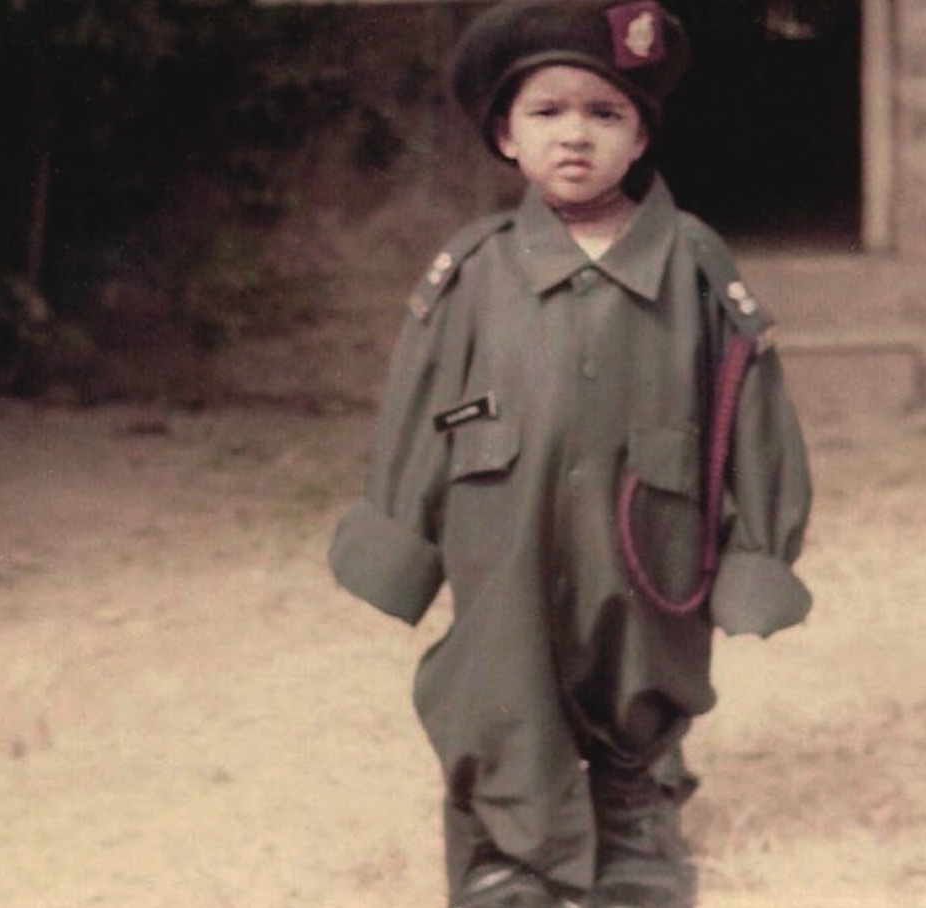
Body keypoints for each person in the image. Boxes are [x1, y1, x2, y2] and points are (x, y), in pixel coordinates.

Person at [328, 2, 812, 906]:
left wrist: (759, 552)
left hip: (648, 529)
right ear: (506, 136)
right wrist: (401, 537)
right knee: (496, 675)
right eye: (547, 112)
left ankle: (636, 825)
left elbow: (754, 413)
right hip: (500, 523)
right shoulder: (473, 270)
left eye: (605, 113)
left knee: (645, 668)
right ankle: (503, 847)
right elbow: (419, 406)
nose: (576, 135)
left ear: (641, 137)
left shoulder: (695, 265)